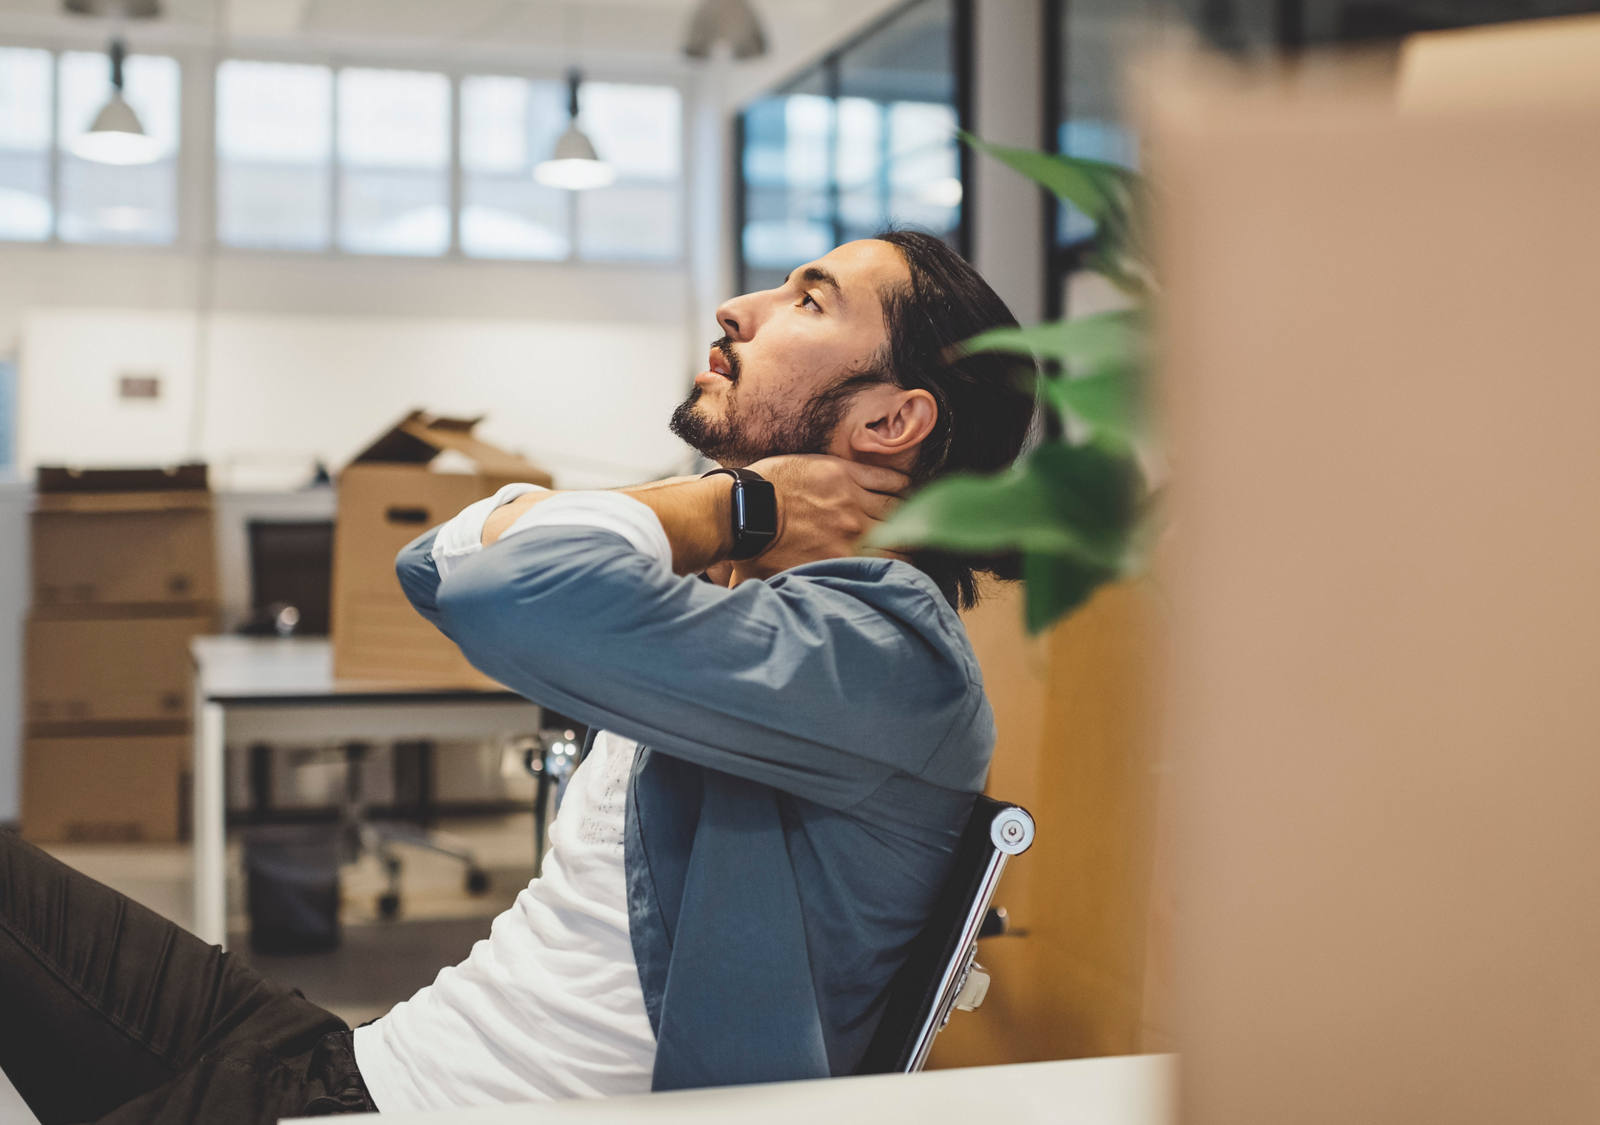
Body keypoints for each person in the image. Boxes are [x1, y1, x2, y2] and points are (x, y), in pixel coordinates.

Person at [0, 231, 1035, 1123]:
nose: (738, 308)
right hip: (360, 1061)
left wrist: (731, 507)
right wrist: (733, 514)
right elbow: (433, 565)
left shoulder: (875, 658)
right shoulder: (762, 613)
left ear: (892, 421)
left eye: (809, 300)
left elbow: (499, 586)